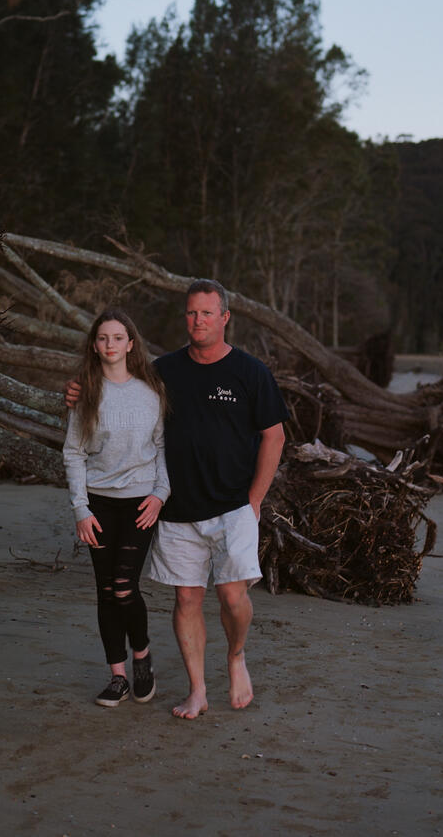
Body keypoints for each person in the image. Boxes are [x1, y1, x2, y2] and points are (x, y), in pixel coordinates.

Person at [67, 280, 288, 719]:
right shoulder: (163, 371)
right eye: (191, 313)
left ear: (225, 317)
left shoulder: (250, 372)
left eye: (207, 313)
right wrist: (74, 393)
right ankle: (198, 690)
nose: (197, 321)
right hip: (176, 510)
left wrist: (256, 499)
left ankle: (237, 654)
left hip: (232, 505)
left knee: (231, 595)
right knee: (186, 600)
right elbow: (115, 385)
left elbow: (274, 435)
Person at [62, 308, 169, 708]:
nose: (110, 345)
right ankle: (118, 676)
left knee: (125, 587)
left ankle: (142, 657)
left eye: (118, 337)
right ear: (95, 344)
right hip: (98, 505)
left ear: (131, 343)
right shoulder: (85, 392)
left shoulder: (150, 390)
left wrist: (160, 494)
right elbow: (73, 453)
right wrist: (80, 509)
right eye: (103, 338)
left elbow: (161, 448)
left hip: (140, 502)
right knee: (106, 592)